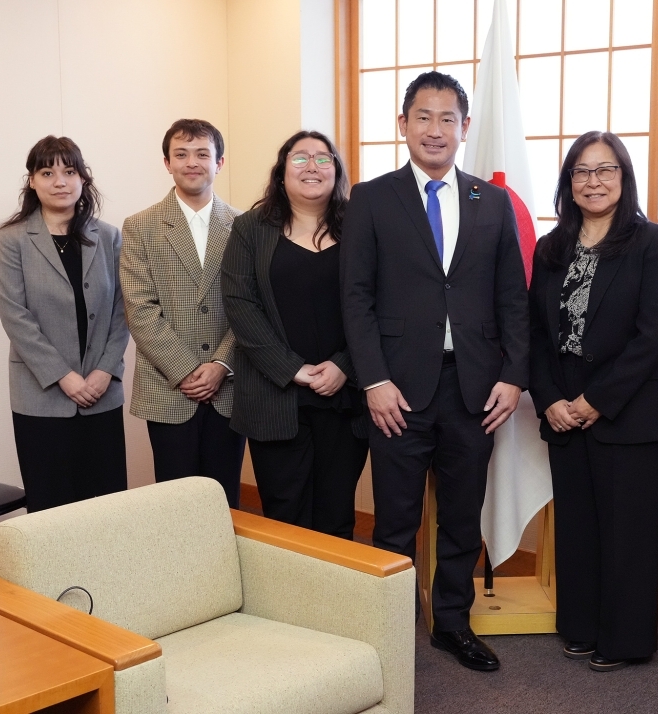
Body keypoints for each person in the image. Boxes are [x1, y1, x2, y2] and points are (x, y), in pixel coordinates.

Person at [341, 71, 529, 671]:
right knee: (395, 520)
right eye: (422, 117)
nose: (435, 129)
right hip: (396, 388)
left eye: (448, 118)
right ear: (403, 125)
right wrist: (372, 379)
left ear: (465, 128)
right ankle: (387, 630)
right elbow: (356, 296)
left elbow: (512, 299)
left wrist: (513, 376)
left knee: (460, 517)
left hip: (475, 388)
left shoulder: (491, 202)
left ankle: (453, 623)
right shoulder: (372, 197)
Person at [528, 131, 658, 672]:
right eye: (582, 172)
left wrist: (596, 399)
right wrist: (549, 398)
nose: (593, 181)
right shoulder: (552, 247)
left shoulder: (651, 243)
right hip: (562, 407)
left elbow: (653, 333)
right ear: (568, 182)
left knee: (628, 531)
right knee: (578, 525)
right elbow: (535, 334)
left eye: (605, 170)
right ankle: (581, 626)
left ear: (623, 177)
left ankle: (626, 640)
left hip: (628, 407)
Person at [220, 131, 368, 539]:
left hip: (345, 396)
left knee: (337, 513)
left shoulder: (360, 224)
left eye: (323, 159)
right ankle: (288, 604)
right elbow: (240, 304)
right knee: (284, 515)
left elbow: (380, 303)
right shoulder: (251, 228)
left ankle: (335, 603)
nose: (312, 167)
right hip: (275, 395)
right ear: (282, 171)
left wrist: (343, 366)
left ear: (336, 171)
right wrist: (293, 370)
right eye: (299, 158)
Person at [0, 136, 129, 512]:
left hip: (102, 394)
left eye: (69, 171)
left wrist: (105, 371)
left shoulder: (109, 237)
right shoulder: (12, 240)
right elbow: (15, 317)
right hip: (41, 397)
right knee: (51, 507)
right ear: (32, 181)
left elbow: (123, 311)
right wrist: (64, 376)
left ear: (83, 179)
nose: (60, 181)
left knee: (106, 504)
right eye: (47, 172)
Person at [120, 119, 245, 508]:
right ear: (167, 162)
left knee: (225, 500)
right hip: (168, 388)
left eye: (203, 154)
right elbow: (139, 308)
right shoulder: (140, 226)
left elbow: (252, 307)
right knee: (175, 504)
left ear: (220, 162)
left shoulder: (244, 226)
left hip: (229, 386)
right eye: (182, 154)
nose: (192, 162)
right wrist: (188, 371)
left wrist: (220, 365)